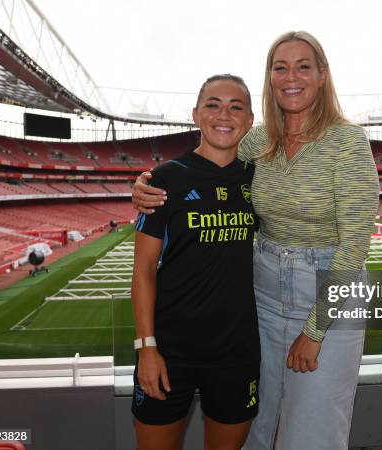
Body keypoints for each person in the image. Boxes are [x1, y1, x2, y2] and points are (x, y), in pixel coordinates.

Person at [133, 31, 379, 450]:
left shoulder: (347, 142)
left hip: (328, 290)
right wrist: (145, 184)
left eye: (303, 66)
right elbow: (209, 157)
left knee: (311, 436)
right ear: (270, 77)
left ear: (322, 75)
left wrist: (315, 330)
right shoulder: (257, 139)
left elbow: (355, 245)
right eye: (280, 67)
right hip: (262, 292)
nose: (291, 76)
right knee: (254, 430)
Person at [130, 74, 260, 450]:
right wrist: (147, 348)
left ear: (249, 121)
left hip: (237, 353)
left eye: (236, 107)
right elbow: (142, 272)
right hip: (169, 352)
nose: (224, 114)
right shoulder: (164, 178)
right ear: (196, 115)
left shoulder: (260, 179)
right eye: (213, 104)